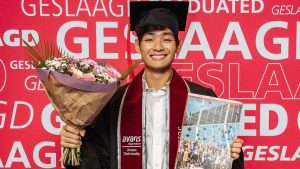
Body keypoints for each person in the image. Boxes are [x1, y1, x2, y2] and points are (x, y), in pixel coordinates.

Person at [60, 1, 244, 169]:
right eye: (149, 39)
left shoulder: (202, 99)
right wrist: (73, 147)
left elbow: (215, 160)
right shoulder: (114, 101)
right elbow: (96, 161)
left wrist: (232, 156)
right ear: (137, 46)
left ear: (178, 46)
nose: (158, 47)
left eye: (166, 39)